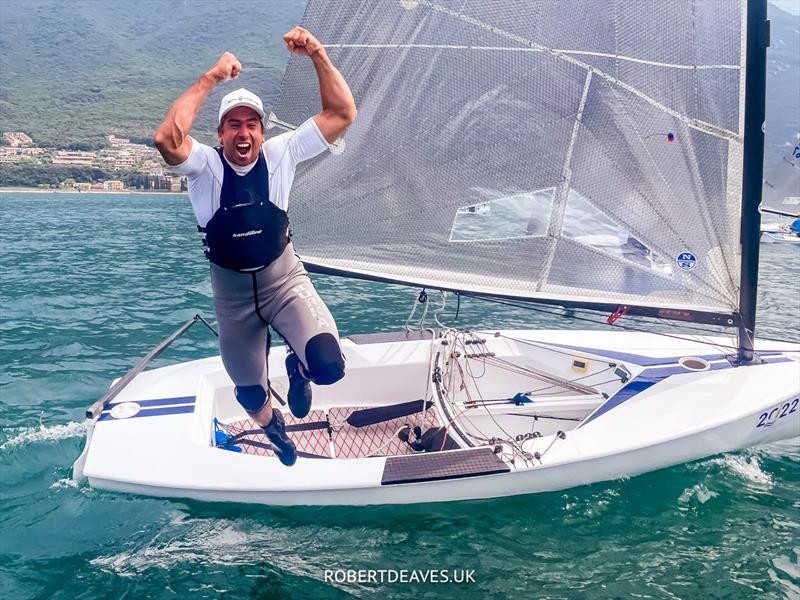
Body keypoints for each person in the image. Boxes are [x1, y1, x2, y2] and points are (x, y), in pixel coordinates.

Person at [154, 27, 356, 467]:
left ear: (262, 133)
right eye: (233, 125)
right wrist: (210, 79)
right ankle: (274, 428)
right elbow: (166, 141)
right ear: (220, 133)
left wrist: (317, 53)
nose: (243, 133)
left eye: (251, 124)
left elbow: (342, 112)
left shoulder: (282, 153)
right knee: (248, 392)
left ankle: (299, 371)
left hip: (284, 282)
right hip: (232, 301)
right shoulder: (205, 167)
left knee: (329, 365)